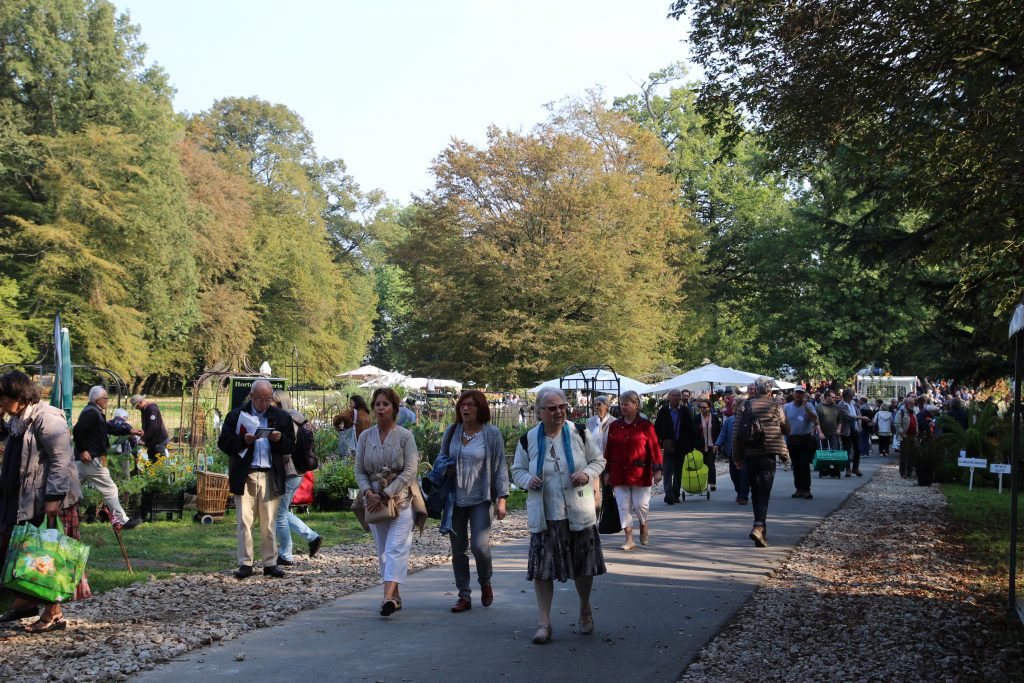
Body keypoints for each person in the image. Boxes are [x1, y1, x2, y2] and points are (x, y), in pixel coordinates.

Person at [511, 387, 605, 645]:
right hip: (545, 515)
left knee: (583, 567)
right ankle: (544, 623)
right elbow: (516, 470)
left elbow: (599, 461)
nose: (559, 412)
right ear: (539, 412)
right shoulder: (528, 439)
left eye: (562, 406)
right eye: (552, 408)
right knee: (542, 570)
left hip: (577, 511)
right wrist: (526, 479)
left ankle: (585, 608)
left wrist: (586, 474)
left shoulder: (579, 433)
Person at [0, 371, 90, 632]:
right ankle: (23, 603)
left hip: (45, 500)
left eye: (3, 399)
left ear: (19, 396)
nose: (1, 404)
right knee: (20, 551)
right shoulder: (19, 419)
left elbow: (61, 460)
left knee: (45, 555)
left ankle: (53, 614)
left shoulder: (47, 418)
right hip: (21, 498)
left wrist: (53, 498)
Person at [432, 390, 509, 613]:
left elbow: (500, 467)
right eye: (462, 405)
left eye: (471, 405)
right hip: (454, 500)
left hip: (480, 499)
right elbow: (439, 458)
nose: (465, 409)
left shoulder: (492, 434)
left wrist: (502, 499)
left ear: (480, 408)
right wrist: (446, 467)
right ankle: (464, 595)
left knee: (480, 546)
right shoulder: (452, 431)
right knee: (458, 550)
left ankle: (485, 581)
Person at [355, 387, 423, 617]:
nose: (381, 408)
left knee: (396, 547)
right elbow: (359, 470)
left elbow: (410, 469)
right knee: (383, 551)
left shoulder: (405, 436)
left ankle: (386, 597)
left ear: (394, 408)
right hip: (374, 502)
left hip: (401, 499)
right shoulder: (365, 437)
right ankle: (395, 596)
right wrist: (368, 493)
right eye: (378, 404)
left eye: (386, 404)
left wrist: (388, 492)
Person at [217, 379, 294, 579]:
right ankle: (245, 563)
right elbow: (224, 443)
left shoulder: (280, 417)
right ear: (252, 396)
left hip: (270, 474)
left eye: (268, 399)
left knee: (269, 521)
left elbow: (290, 446)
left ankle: (270, 562)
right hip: (246, 474)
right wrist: (243, 440)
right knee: (245, 520)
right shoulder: (236, 416)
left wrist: (279, 440)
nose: (265, 403)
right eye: (261, 399)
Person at [71, 386, 143, 531]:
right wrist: (83, 450)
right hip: (91, 460)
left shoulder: (94, 411)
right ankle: (122, 521)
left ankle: (52, 515)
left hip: (85, 461)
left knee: (69, 490)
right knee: (110, 489)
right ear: (98, 400)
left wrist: (129, 430)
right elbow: (77, 430)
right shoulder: (91, 413)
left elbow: (106, 428)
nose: (108, 401)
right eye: (106, 398)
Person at [602, 390, 661, 550]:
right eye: (621, 404)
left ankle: (643, 523)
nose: (623, 407)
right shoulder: (614, 426)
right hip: (618, 472)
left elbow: (654, 448)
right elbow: (609, 449)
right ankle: (629, 539)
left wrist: (657, 470)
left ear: (636, 405)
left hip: (640, 472)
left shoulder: (645, 426)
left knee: (641, 505)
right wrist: (606, 471)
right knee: (623, 505)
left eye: (627, 404)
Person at [732, 378, 788, 548]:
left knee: (756, 490)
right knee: (764, 491)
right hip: (768, 454)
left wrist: (737, 457)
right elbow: (786, 428)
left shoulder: (745, 406)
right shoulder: (775, 406)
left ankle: (761, 528)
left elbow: (736, 433)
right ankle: (758, 526)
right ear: (770, 391)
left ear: (755, 390)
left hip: (750, 454)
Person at [270, 391, 323, 567]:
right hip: (297, 471)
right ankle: (312, 537)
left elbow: (287, 450)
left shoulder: (287, 421)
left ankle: (286, 554)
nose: (269, 405)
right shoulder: (298, 418)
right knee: (282, 511)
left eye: (272, 402)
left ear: (280, 404)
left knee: (279, 514)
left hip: (289, 471)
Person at [653, 389, 696, 505]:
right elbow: (657, 428)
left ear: (680, 397)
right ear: (669, 397)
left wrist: (691, 445)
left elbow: (691, 429)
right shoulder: (663, 411)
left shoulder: (685, 411)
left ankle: (675, 493)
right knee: (667, 470)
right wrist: (656, 443)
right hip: (668, 445)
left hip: (681, 446)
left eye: (677, 396)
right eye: (673, 396)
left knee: (678, 471)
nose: (675, 398)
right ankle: (668, 494)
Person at [782, 387, 822, 499]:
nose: (799, 395)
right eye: (797, 393)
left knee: (804, 464)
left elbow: (814, 419)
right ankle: (798, 489)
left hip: (805, 439)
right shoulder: (787, 407)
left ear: (804, 395)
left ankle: (806, 489)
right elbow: (783, 422)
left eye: (801, 393)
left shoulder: (808, 406)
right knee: (796, 465)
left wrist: (805, 407)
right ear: (793, 394)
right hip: (792, 439)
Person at [717, 396, 749, 504]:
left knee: (744, 474)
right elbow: (723, 434)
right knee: (734, 474)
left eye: (734, 405)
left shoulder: (747, 419)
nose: (732, 406)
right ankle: (739, 492)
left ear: (741, 406)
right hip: (732, 452)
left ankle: (743, 496)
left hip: (745, 452)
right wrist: (718, 444)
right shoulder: (730, 420)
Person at [837, 389, 868, 477]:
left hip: (855, 428)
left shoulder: (853, 403)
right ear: (847, 396)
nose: (853, 396)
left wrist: (860, 421)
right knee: (847, 450)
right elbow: (848, 416)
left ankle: (855, 467)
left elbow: (858, 412)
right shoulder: (841, 405)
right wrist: (861, 418)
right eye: (852, 395)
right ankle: (848, 469)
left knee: (857, 449)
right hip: (846, 430)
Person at [693, 399, 722, 492]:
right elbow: (693, 432)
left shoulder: (714, 418)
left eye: (704, 407)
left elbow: (718, 431)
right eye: (701, 407)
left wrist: (718, 444)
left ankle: (712, 482)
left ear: (709, 408)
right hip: (699, 446)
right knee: (702, 464)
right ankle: (703, 483)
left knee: (710, 463)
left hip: (712, 445)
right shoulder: (696, 418)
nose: (702, 409)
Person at [129, 394, 169, 460]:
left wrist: (143, 439)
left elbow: (152, 427)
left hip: (159, 440)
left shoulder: (151, 409)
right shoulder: (144, 409)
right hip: (151, 441)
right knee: (151, 462)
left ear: (140, 402)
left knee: (161, 462)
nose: (136, 408)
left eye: (136, 406)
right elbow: (147, 425)